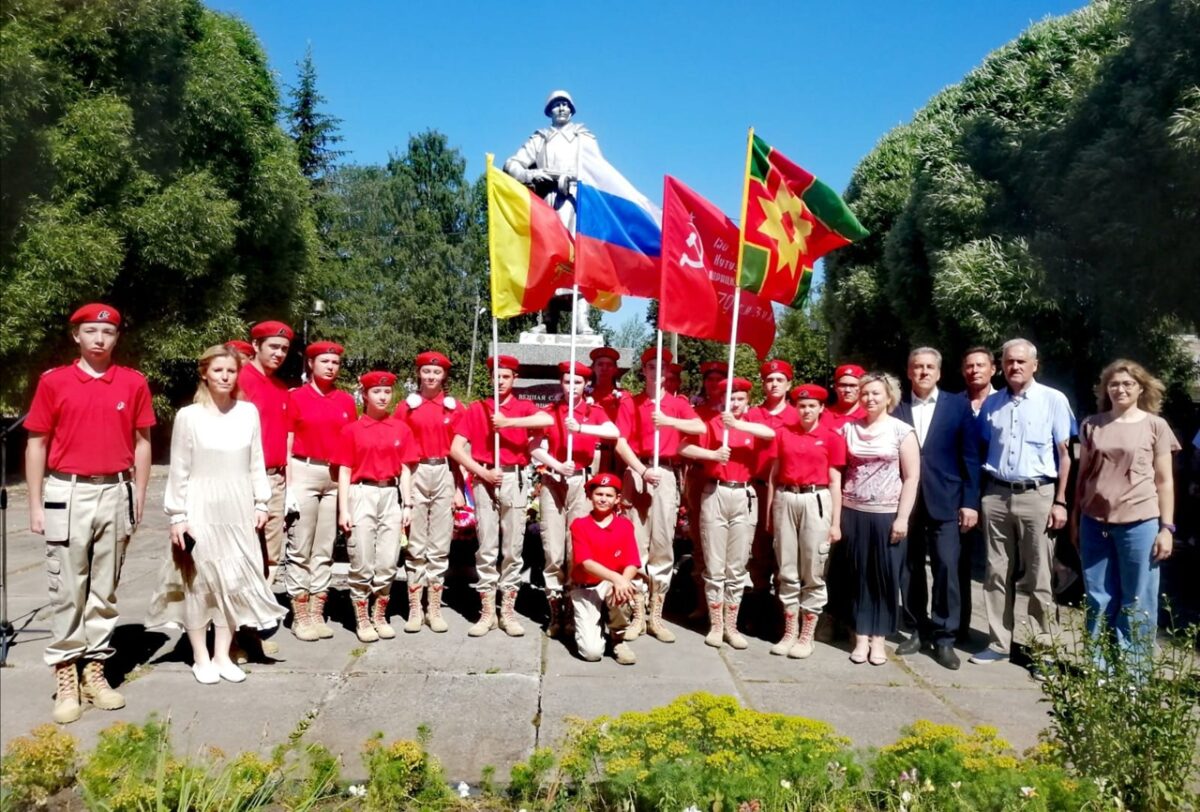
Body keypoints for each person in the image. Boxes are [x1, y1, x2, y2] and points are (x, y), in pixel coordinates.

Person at [25, 303, 155, 724]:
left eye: (108, 332)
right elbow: (37, 444)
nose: (100, 339)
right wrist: (35, 504)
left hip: (116, 490)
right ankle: (66, 674)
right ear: (76, 336)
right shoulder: (54, 382)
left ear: (117, 338)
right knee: (67, 587)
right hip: (68, 490)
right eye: (91, 331)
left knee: (104, 588)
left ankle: (95, 670)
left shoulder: (133, 383)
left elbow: (142, 443)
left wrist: (139, 497)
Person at [147, 345, 286, 683]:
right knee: (201, 583)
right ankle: (200, 657)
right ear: (205, 373)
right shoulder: (188, 416)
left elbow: (256, 462)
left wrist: (261, 503)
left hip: (238, 506)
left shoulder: (248, 412)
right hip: (200, 506)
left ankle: (224, 654)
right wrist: (178, 515)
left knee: (233, 582)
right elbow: (179, 469)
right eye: (218, 370)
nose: (225, 377)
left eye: (232, 371)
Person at [971, 338, 1074, 665]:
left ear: (1034, 364)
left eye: (1020, 362)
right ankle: (999, 644)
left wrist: (1061, 501)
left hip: (1038, 495)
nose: (1014, 367)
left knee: (1039, 576)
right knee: (995, 573)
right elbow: (983, 449)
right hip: (997, 494)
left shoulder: (1053, 400)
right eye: (1009, 362)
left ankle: (1045, 651)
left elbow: (1066, 455)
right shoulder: (992, 404)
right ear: (1001, 365)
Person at [1075, 359, 1179, 659]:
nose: (1120, 389)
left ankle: (1133, 674)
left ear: (1140, 388)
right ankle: (1099, 669)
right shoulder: (1091, 424)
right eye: (1114, 384)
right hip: (1094, 522)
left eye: (1128, 384)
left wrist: (1167, 528)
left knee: (1138, 599)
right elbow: (1082, 477)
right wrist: (1074, 520)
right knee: (1098, 597)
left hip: (1140, 522)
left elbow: (1165, 481)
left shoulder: (1155, 426)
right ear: (1106, 388)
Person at [451, 355, 553, 637]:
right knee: (486, 546)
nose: (500, 380)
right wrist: (480, 474)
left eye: (505, 376)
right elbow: (456, 448)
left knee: (512, 547)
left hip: (514, 478)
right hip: (486, 476)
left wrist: (508, 423)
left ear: (514, 379)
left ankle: (507, 611)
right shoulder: (478, 408)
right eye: (496, 375)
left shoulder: (522, 407)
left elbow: (547, 418)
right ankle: (486, 612)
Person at [893, 348, 981, 670]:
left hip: (947, 501)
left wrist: (970, 502)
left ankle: (945, 638)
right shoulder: (896, 405)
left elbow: (970, 458)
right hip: (908, 502)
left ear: (940, 373)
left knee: (946, 568)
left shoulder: (958, 406)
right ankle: (917, 630)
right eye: (918, 366)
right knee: (910, 568)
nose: (924, 372)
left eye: (930, 367)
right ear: (909, 371)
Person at [615, 348, 705, 643]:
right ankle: (637, 612)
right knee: (635, 544)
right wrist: (641, 470)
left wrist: (669, 422)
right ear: (644, 371)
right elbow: (620, 442)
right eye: (650, 367)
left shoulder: (676, 404)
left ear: (668, 373)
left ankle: (656, 614)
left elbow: (698, 426)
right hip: (639, 470)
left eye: (661, 367)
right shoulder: (632, 401)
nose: (656, 372)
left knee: (663, 543)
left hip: (666, 473)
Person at [680, 377, 775, 649]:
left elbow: (770, 434)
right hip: (715, 491)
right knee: (714, 561)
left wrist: (739, 424)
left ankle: (731, 626)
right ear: (721, 400)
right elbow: (682, 447)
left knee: (737, 563)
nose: (734, 404)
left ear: (748, 400)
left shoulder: (753, 423)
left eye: (739, 399)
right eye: (729, 399)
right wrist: (711, 455)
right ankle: (716, 624)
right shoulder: (712, 423)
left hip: (744, 493)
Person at [531, 361, 618, 637]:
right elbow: (532, 447)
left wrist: (580, 428)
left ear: (585, 385)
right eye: (568, 382)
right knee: (553, 550)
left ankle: (573, 609)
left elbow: (613, 433)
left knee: (576, 550)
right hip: (553, 483)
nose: (572, 388)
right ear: (562, 384)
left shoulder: (592, 411)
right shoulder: (549, 412)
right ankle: (556, 612)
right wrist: (556, 464)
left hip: (580, 483)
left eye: (578, 382)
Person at [840, 372, 920, 665]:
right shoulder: (848, 429)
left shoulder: (902, 431)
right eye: (865, 394)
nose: (870, 399)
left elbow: (911, 478)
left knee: (885, 575)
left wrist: (903, 518)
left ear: (889, 397)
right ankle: (861, 636)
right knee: (858, 574)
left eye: (876, 393)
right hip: (853, 512)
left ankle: (879, 639)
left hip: (887, 514)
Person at [503, 90, 596, 334]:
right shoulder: (541, 138)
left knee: (579, 258)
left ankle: (582, 320)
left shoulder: (583, 136)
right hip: (549, 204)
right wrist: (531, 174)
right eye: (557, 105)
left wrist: (575, 180)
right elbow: (512, 164)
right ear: (549, 111)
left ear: (572, 109)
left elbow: (599, 169)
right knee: (548, 258)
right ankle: (546, 319)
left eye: (566, 104)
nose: (562, 108)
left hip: (578, 201)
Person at [335, 371, 418, 642]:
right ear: (365, 395)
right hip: (362, 494)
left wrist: (407, 503)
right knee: (361, 559)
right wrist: (343, 510)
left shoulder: (401, 429)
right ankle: (361, 617)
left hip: (390, 494)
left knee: (387, 560)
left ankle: (379, 614)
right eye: (376, 392)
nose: (382, 397)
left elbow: (405, 468)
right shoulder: (352, 430)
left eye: (387, 392)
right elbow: (345, 471)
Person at [767, 383, 845, 659]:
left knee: (813, 568)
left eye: (812, 405)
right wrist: (770, 514)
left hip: (816, 500)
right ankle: (789, 630)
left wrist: (836, 523)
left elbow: (836, 482)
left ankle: (806, 635)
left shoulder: (831, 437)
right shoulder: (783, 434)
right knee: (786, 568)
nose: (806, 410)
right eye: (801, 406)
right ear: (795, 408)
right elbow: (774, 477)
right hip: (787, 498)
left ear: (822, 408)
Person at [285, 341, 356, 642]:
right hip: (304, 470)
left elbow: (353, 443)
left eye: (335, 362)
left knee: (325, 547)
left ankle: (317, 610)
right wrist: (289, 486)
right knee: (301, 545)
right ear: (311, 364)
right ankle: (299, 614)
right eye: (324, 361)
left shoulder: (346, 401)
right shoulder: (296, 397)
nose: (330, 366)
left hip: (335, 474)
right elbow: (287, 443)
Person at [393, 351, 465, 633]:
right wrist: (403, 491)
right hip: (416, 471)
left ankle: (434, 608)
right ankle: (414, 607)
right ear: (419, 374)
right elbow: (398, 447)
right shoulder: (406, 407)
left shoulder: (455, 408)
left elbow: (460, 452)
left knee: (439, 543)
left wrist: (460, 488)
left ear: (444, 376)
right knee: (416, 542)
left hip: (444, 471)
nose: (431, 377)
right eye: (426, 372)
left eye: (436, 373)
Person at [236, 320, 295, 658]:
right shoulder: (242, 380)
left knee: (269, 558)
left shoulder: (279, 387)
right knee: (240, 557)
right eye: (273, 346)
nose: (279, 353)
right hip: (245, 479)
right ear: (255, 345)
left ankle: (252, 629)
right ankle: (231, 635)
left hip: (274, 479)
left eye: (284, 348)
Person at [746, 359, 800, 623]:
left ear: (789, 384)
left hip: (785, 491)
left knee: (785, 551)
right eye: (769, 379)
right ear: (763, 384)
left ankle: (782, 612)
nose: (774, 384)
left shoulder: (797, 414)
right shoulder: (752, 414)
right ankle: (758, 602)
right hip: (757, 487)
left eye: (780, 379)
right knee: (759, 550)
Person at [569, 473, 641, 665]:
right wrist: (617, 579)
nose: (603, 499)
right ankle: (589, 620)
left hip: (611, 586)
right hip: (587, 588)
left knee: (623, 588)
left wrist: (622, 581)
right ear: (590, 496)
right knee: (592, 653)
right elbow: (585, 563)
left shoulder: (625, 526)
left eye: (609, 495)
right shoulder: (580, 525)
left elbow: (632, 562)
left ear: (617, 498)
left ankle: (618, 638)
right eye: (598, 494)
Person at [956, 345, 996, 641]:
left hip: (999, 491)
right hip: (963, 494)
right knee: (961, 562)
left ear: (993, 369)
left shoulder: (1007, 402)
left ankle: (1000, 635)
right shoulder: (955, 404)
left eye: (980, 365)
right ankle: (959, 626)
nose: (974, 371)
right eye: (969, 366)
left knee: (998, 567)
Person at [682, 360, 728, 619]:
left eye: (720, 380)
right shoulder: (697, 412)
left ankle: (728, 610)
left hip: (729, 481)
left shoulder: (736, 412)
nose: (714, 385)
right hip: (700, 475)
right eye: (710, 379)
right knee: (701, 541)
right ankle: (703, 604)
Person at [588, 346, 626, 473]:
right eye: (600, 364)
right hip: (592, 451)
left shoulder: (624, 397)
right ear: (593, 368)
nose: (604, 368)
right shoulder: (584, 395)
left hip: (616, 452)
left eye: (609, 365)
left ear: (615, 369)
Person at [821, 363, 867, 430]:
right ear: (835, 387)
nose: (847, 390)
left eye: (853, 385)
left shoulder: (867, 416)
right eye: (843, 385)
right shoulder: (823, 415)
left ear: (862, 388)